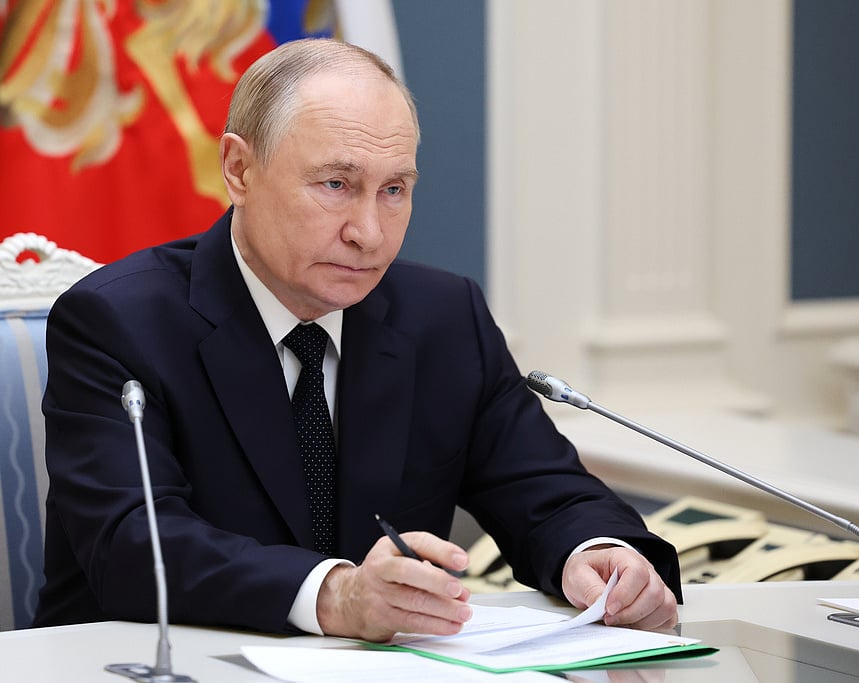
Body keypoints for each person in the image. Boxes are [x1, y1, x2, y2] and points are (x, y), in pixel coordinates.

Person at [34, 38, 681, 641]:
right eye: (336, 184)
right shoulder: (117, 320)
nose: (368, 232)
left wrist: (598, 552)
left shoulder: (443, 316)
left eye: (394, 190)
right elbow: (131, 542)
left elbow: (546, 491)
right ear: (238, 168)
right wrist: (333, 595)